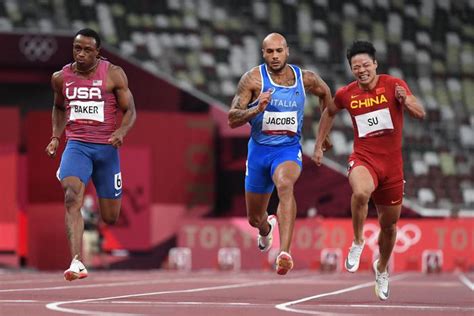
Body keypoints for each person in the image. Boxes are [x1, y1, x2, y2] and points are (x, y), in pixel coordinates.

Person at [313, 40, 425, 300]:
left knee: (389, 226)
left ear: (375, 64)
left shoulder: (393, 84)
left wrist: (405, 101)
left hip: (392, 166)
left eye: (365, 65)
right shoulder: (346, 94)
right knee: (361, 193)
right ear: (351, 69)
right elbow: (329, 112)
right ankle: (358, 241)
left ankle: (382, 268)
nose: (361, 70)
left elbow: (419, 112)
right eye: (355, 66)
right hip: (364, 158)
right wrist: (319, 145)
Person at [228, 33, 333, 275]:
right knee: (254, 218)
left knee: (285, 185)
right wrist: (256, 108)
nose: (274, 56)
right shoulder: (253, 79)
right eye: (269, 52)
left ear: (287, 51)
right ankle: (266, 229)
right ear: (263, 54)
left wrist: (322, 136)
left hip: (287, 149)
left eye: (278, 51)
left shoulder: (305, 78)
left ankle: (284, 253)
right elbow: (232, 118)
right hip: (258, 152)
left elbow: (327, 96)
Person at [45, 28, 137, 281]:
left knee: (110, 216)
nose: (81, 54)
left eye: (87, 49)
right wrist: (55, 137)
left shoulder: (114, 75)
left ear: (98, 52)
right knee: (72, 197)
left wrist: (121, 131)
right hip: (77, 145)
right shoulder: (60, 78)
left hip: (107, 149)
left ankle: (76, 175)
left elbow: (130, 111)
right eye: (77, 48)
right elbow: (58, 107)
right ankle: (77, 262)